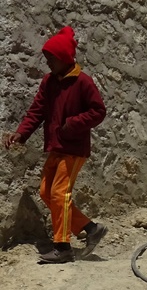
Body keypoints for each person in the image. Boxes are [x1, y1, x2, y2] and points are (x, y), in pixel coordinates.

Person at [3, 26, 108, 264]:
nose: (48, 63)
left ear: (63, 58)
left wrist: (72, 124)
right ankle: (91, 229)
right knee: (46, 192)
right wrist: (21, 133)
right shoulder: (49, 81)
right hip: (56, 146)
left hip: (73, 149)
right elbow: (37, 110)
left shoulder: (83, 82)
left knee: (60, 193)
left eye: (51, 59)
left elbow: (98, 111)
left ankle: (62, 247)